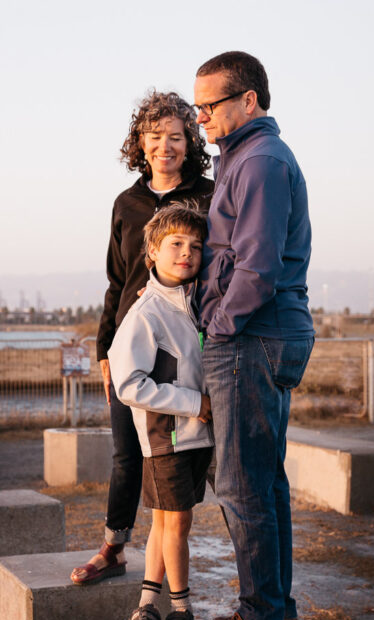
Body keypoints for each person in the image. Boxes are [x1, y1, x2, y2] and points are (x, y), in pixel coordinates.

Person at [183, 51, 315, 620]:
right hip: (268, 334)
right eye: (199, 106)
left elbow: (256, 267)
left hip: (252, 336)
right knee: (266, 482)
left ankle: (259, 618)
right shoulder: (249, 157)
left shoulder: (258, 161)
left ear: (249, 101)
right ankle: (277, 610)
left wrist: (217, 326)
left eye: (210, 105)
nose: (201, 117)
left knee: (240, 486)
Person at [70, 92, 213, 585]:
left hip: (185, 340)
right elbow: (116, 281)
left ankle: (172, 569)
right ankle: (113, 546)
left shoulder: (208, 197)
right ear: (141, 143)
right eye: (155, 137)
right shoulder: (126, 203)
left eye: (175, 136)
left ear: (190, 141)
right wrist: (104, 350)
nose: (165, 146)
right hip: (131, 341)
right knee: (126, 453)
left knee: (180, 458)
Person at [108, 204, 214, 620]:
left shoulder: (193, 302)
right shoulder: (146, 312)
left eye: (194, 246)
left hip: (193, 437)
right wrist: (195, 404)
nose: (186, 253)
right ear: (151, 252)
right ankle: (182, 611)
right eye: (175, 244)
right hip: (168, 439)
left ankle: (147, 607)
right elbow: (128, 384)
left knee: (166, 525)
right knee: (178, 525)